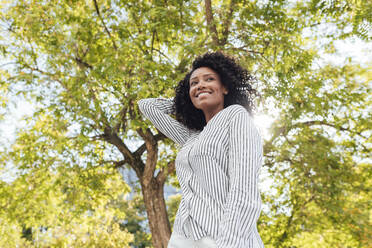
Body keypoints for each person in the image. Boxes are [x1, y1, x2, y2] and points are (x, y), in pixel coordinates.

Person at [138, 52, 264, 248]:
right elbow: (147, 106)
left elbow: (244, 189)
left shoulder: (235, 116)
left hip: (224, 237)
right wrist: (185, 100)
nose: (200, 85)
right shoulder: (191, 137)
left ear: (225, 87)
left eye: (209, 79)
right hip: (184, 238)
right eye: (193, 83)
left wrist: (229, 243)